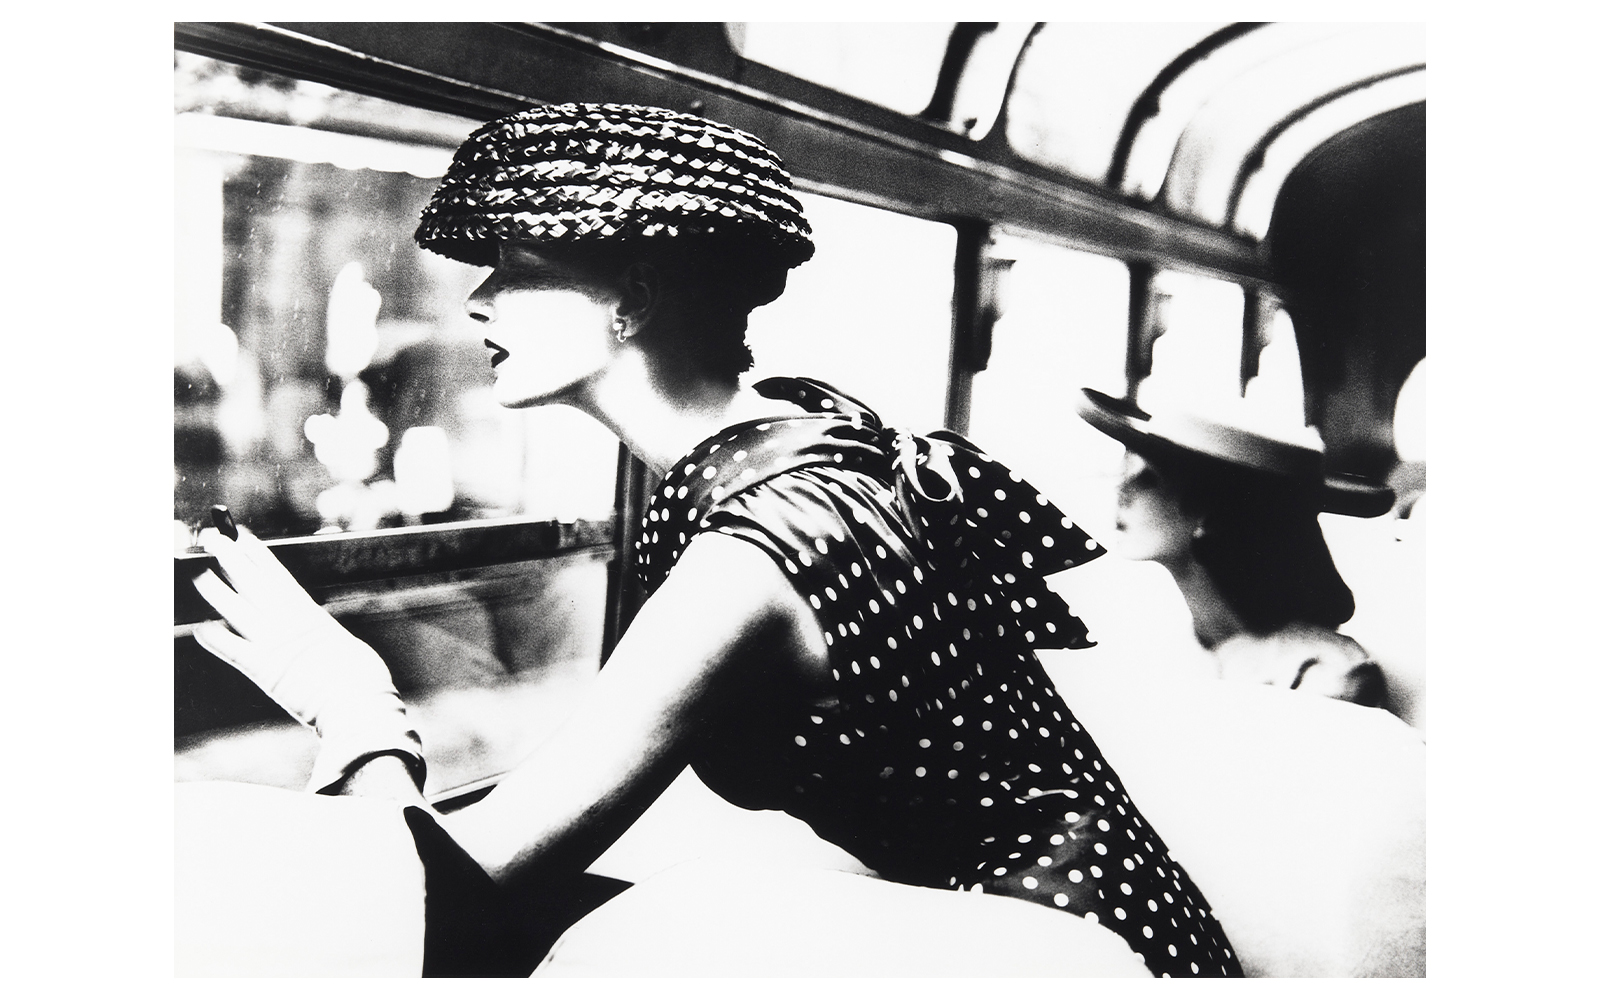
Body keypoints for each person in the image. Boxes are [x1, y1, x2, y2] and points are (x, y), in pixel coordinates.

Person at [189, 102, 1242, 978]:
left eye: (517, 266)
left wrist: (354, 706)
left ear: (633, 298)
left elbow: (445, 896)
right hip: (1045, 926)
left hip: (1056, 954)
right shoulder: (806, 438)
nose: (479, 301)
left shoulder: (759, 549)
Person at [1074, 386, 1393, 708]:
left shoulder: (1317, 672)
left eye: (1148, 479)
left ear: (1211, 510)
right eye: (1126, 473)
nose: (1121, 491)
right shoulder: (1153, 655)